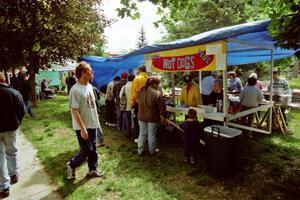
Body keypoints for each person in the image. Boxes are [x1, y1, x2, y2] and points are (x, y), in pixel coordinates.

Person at [67, 61, 103, 180]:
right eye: (90, 70)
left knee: (93, 148)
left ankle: (92, 169)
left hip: (92, 123)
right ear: (83, 72)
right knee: (87, 149)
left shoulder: (89, 86)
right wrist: (82, 129)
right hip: (82, 126)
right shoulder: (75, 89)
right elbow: (74, 110)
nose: (92, 72)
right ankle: (72, 164)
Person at [0, 72, 25, 198]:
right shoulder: (14, 93)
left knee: (0, 157)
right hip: (11, 128)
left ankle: (4, 187)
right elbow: (22, 110)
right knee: (12, 151)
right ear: (4, 79)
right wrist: (17, 123)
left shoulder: (13, 92)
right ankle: (13, 174)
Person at [137, 78, 167, 155]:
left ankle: (140, 150)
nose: (158, 85)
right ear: (153, 84)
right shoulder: (156, 93)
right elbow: (162, 106)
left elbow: (137, 101)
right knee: (151, 134)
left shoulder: (141, 91)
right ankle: (152, 151)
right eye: (157, 84)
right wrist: (163, 116)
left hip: (141, 115)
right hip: (152, 117)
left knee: (142, 133)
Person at [130, 65, 148, 137]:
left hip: (138, 103)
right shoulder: (149, 79)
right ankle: (146, 135)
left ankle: (139, 135)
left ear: (139, 71)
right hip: (148, 103)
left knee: (138, 120)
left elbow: (134, 92)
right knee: (147, 119)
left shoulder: (137, 79)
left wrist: (132, 103)